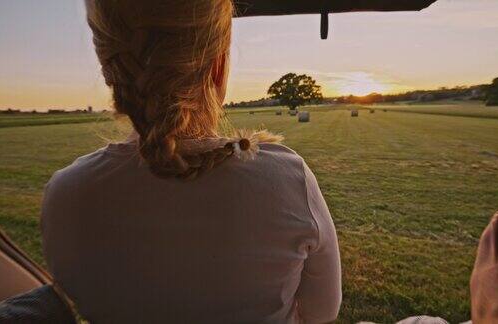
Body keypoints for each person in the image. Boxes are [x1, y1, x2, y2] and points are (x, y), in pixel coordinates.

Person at [41, 0, 341, 323]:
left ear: (109, 67)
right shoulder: (289, 181)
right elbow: (322, 312)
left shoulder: (64, 197)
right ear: (218, 66)